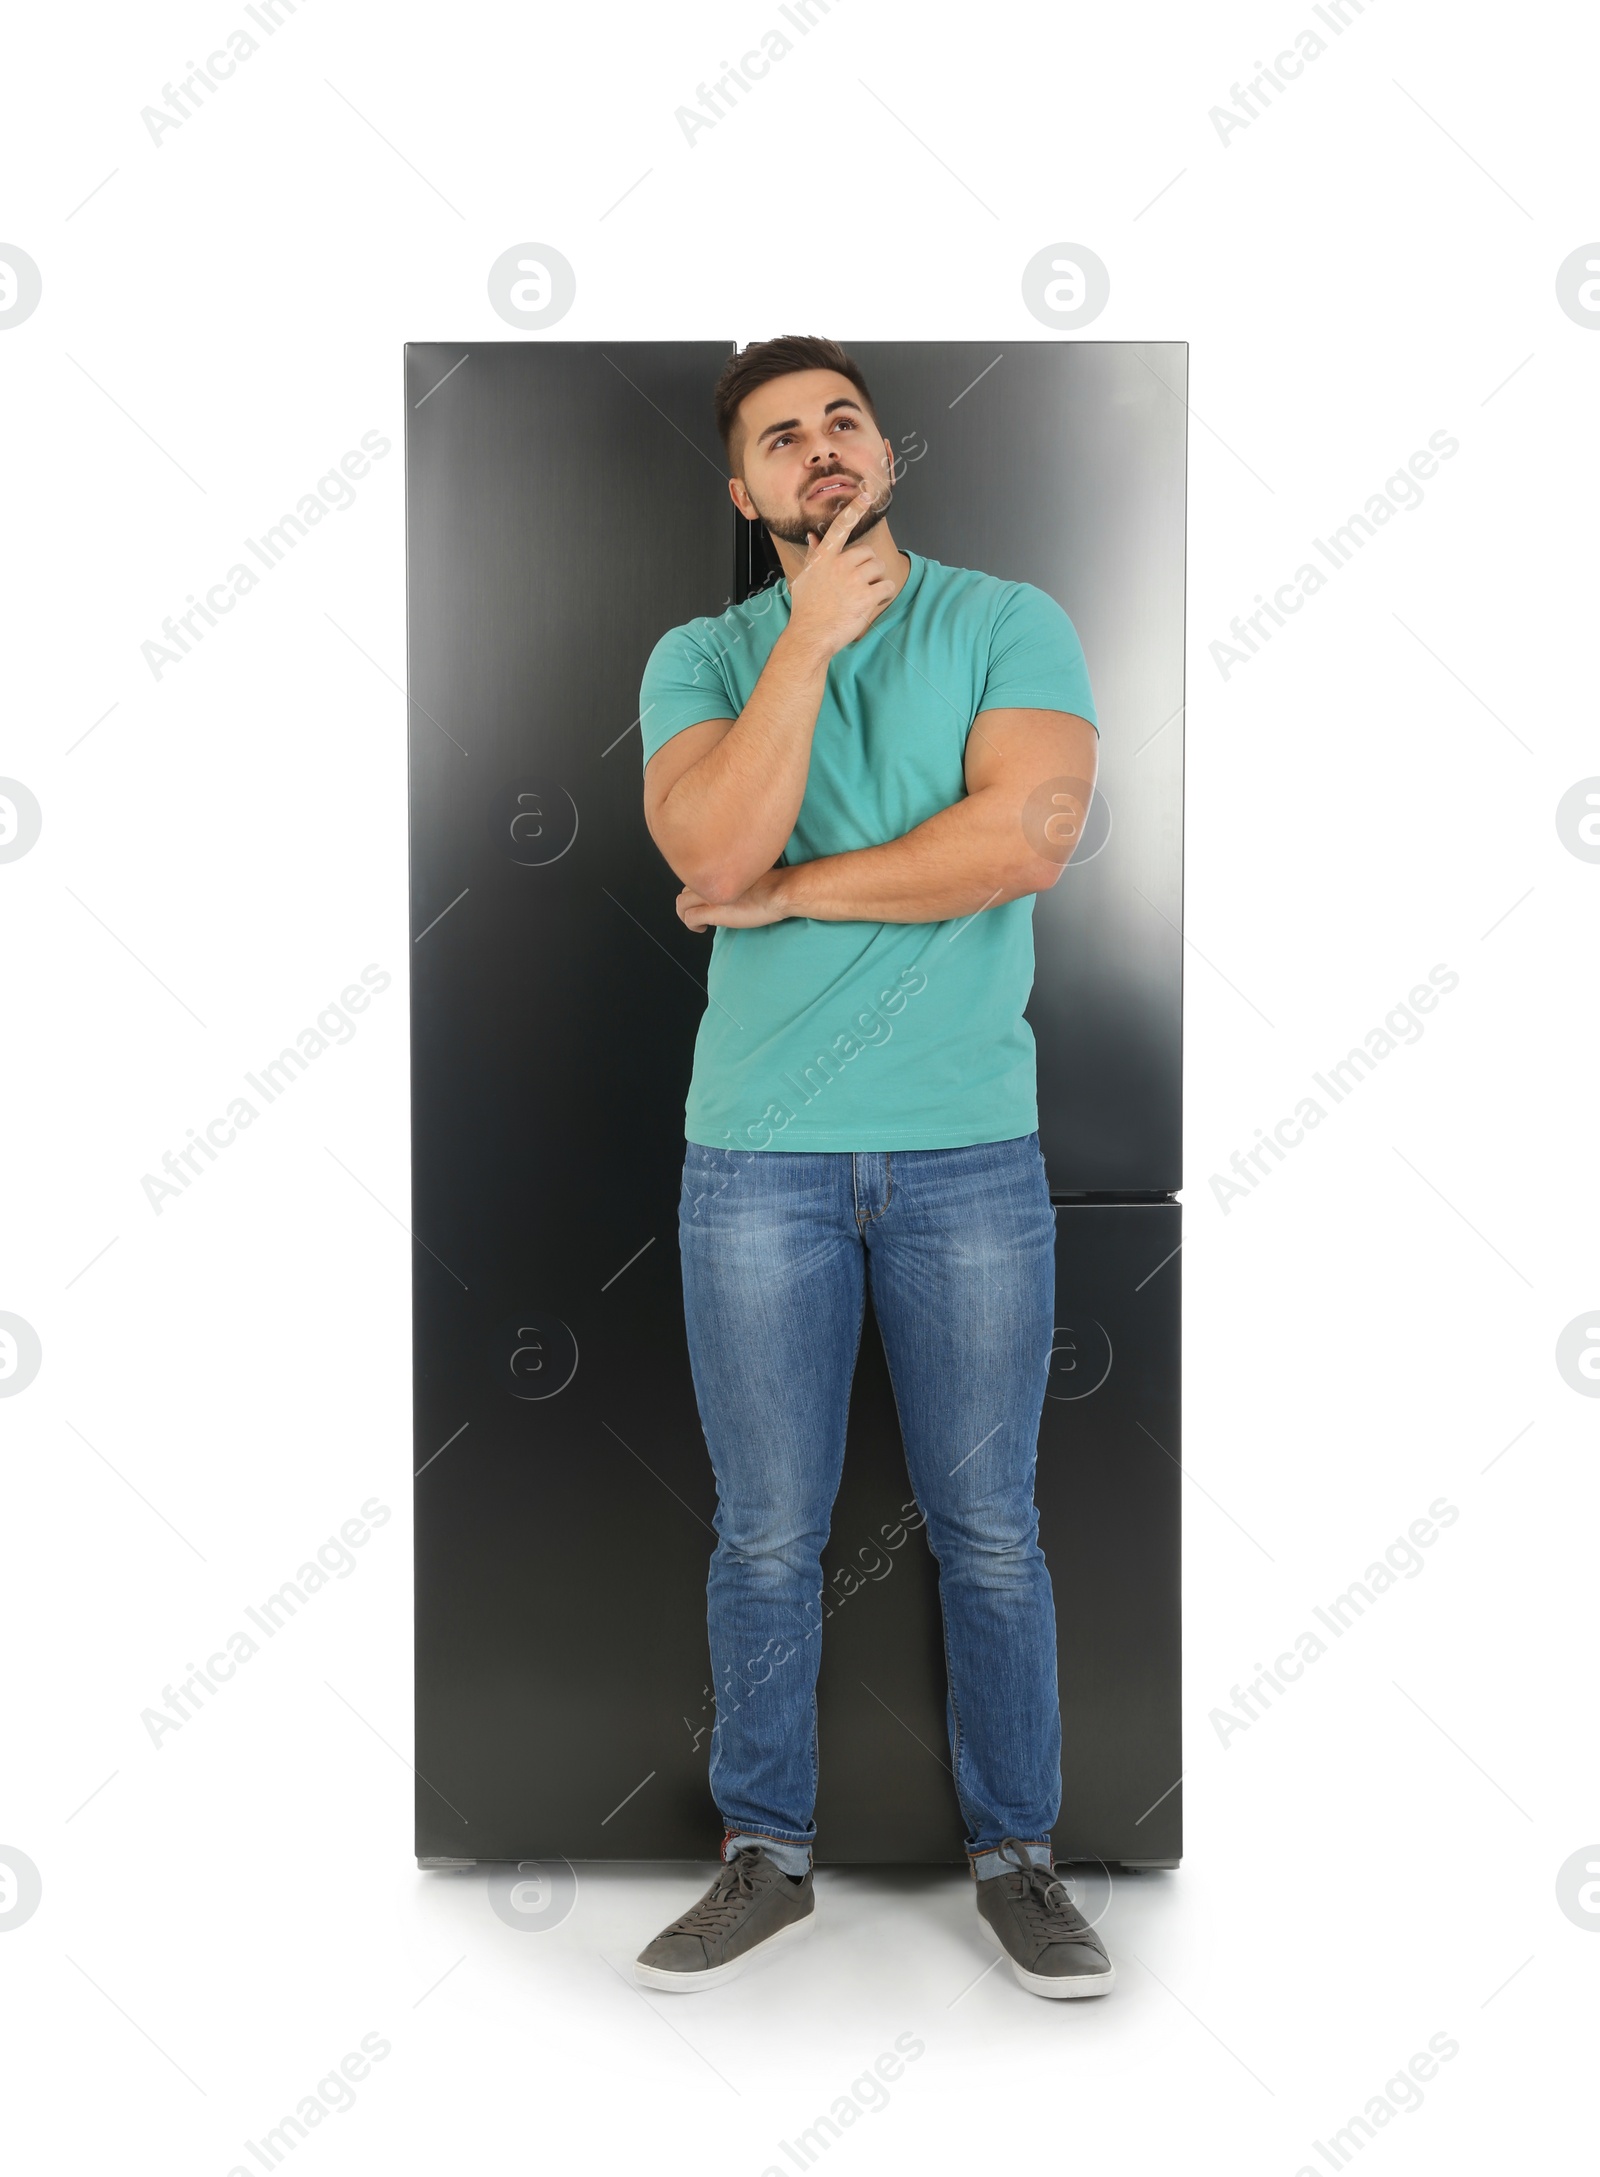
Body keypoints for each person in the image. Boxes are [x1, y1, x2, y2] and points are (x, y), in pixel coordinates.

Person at [630, 335, 1111, 2000]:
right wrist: (810, 647)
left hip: (970, 1153)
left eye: (842, 419)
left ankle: (1023, 1861)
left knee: (992, 1524)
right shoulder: (702, 654)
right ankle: (765, 1856)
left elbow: (1028, 837)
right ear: (746, 490)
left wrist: (799, 896)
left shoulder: (1007, 619)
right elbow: (709, 845)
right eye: (781, 436)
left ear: (886, 447)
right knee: (765, 1528)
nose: (819, 448)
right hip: (753, 1161)